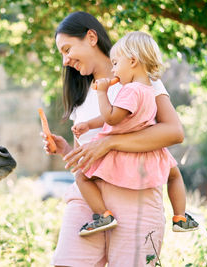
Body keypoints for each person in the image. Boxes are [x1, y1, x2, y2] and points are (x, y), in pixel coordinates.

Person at [40, 11, 186, 266]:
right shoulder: (82, 95)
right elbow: (86, 158)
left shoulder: (142, 81)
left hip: (135, 193)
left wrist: (109, 142)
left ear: (91, 37)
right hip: (89, 199)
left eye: (67, 49)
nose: (64, 61)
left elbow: (174, 132)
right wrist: (65, 150)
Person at [71, 31, 198, 236]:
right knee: (174, 175)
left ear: (132, 61)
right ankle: (180, 216)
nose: (113, 70)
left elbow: (112, 118)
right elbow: (120, 115)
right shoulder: (148, 89)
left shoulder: (130, 90)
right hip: (150, 150)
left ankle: (103, 215)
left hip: (121, 152)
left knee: (81, 177)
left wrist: (102, 92)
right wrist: (89, 124)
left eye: (115, 63)